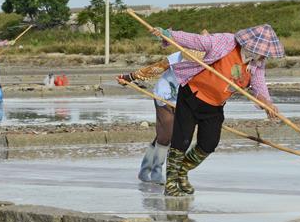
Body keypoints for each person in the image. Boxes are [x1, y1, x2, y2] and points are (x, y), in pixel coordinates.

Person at [153, 24, 284, 197]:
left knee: (208, 144)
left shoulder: (257, 63)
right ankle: (170, 183)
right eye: (262, 52)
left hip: (215, 106)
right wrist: (168, 34)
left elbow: (259, 85)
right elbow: (196, 40)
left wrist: (267, 104)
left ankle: (181, 171)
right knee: (181, 141)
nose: (264, 56)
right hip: (191, 96)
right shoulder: (225, 42)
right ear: (251, 46)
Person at [118, 51, 185, 184]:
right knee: (167, 134)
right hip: (164, 94)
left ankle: (145, 169)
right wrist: (129, 77)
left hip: (183, 99)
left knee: (164, 134)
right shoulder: (178, 56)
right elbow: (156, 68)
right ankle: (156, 171)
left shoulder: (208, 60)